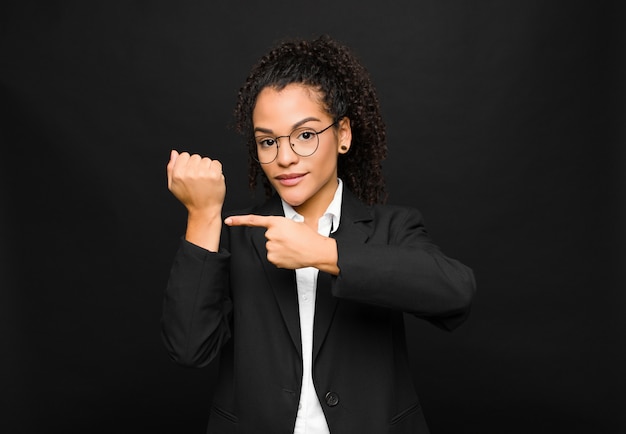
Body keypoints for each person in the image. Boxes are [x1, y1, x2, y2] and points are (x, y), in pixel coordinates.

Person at [162, 35, 476, 434]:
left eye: (305, 135)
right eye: (267, 141)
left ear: (342, 134)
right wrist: (203, 215)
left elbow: (456, 294)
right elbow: (189, 349)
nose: (285, 156)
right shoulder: (237, 235)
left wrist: (327, 253)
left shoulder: (392, 227)